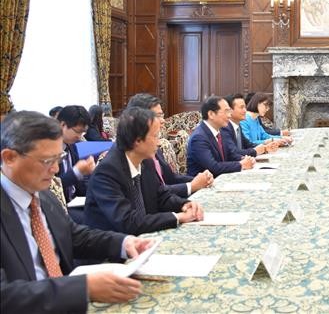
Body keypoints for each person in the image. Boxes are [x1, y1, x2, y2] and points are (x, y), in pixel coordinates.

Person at [1, 111, 155, 312]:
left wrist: (123, 243)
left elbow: (73, 235)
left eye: (59, 158)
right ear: (10, 157)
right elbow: (5, 295)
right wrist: (83, 288)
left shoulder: (42, 194)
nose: (56, 169)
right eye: (47, 161)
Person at [85, 107, 204, 235]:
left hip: (144, 238)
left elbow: (161, 196)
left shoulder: (145, 160)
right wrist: (177, 217)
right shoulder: (107, 173)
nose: (158, 142)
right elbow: (128, 222)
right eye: (155, 136)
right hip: (115, 248)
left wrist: (184, 205)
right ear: (137, 140)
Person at [126, 93, 213, 197]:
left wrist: (201, 179)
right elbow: (156, 193)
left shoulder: (155, 146)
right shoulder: (138, 152)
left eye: (162, 115)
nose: (163, 121)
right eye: (157, 116)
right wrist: (191, 186)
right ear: (140, 118)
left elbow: (171, 178)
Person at [188, 96, 256, 177]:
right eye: (226, 111)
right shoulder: (199, 137)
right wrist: (241, 165)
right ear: (211, 114)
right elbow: (213, 167)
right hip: (203, 186)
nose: (229, 115)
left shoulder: (220, 132)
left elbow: (231, 155)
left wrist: (244, 159)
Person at [55, 105, 95, 204]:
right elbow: (52, 186)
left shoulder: (74, 145)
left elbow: (82, 183)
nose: (79, 136)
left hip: (76, 201)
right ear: (62, 125)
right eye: (77, 131)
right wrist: (76, 172)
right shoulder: (49, 150)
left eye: (82, 132)